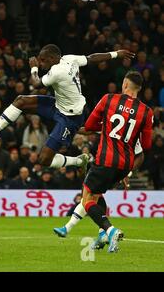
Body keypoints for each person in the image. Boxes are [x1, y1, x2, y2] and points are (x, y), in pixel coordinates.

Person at [0, 44, 135, 173]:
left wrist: (33, 67)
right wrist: (115, 54)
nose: (41, 63)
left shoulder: (56, 71)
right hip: (58, 105)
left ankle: (79, 161)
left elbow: (35, 84)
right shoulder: (69, 58)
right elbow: (91, 58)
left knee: (44, 160)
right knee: (21, 101)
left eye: (43, 60)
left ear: (54, 58)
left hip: (71, 117)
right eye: (39, 60)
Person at [54, 71, 153, 253]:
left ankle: (110, 230)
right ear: (139, 89)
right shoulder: (147, 112)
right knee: (96, 195)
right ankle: (101, 234)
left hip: (106, 160)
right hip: (124, 166)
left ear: (124, 84)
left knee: (87, 198)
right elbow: (146, 145)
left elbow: (90, 126)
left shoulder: (108, 99)